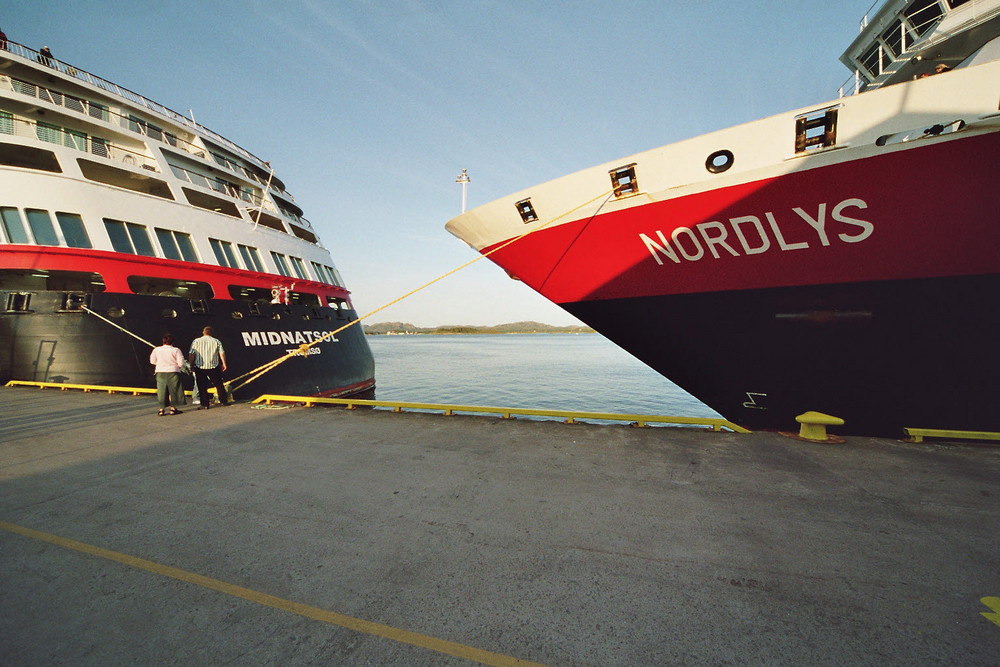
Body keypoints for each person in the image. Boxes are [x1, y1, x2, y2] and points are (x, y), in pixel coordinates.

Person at [189, 326, 230, 409]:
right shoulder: (216, 341)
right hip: (213, 366)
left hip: (200, 366)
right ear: (211, 333)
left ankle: (205, 404)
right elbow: (221, 353)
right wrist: (224, 363)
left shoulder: (196, 341)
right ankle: (223, 401)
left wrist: (191, 364)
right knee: (219, 384)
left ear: (203, 332)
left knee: (202, 386)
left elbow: (191, 354)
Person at [150, 333, 186, 416]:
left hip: (160, 372)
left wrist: (160, 364)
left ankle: (161, 409)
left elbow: (152, 361)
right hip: (173, 372)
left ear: (163, 341)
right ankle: (173, 409)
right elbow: (181, 363)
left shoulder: (157, 350)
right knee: (173, 390)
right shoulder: (176, 350)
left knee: (161, 390)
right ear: (172, 342)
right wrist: (177, 366)